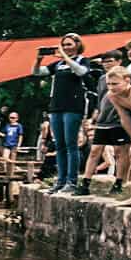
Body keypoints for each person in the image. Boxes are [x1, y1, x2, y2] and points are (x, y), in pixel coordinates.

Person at [38, 32, 96, 193]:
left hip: (73, 107)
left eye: (69, 44)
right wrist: (38, 59)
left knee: (71, 145)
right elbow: (36, 72)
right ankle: (60, 181)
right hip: (56, 107)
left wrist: (65, 56)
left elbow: (81, 72)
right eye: (63, 45)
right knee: (60, 145)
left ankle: (72, 181)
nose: (65, 48)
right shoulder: (57, 65)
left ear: (77, 45)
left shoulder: (82, 60)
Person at [78, 55, 131, 196]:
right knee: (95, 150)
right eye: (104, 61)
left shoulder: (128, 76)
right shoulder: (102, 79)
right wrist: (94, 117)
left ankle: (119, 182)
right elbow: (99, 99)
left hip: (119, 120)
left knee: (120, 152)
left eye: (110, 61)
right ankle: (85, 183)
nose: (106, 64)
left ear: (119, 61)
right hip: (102, 120)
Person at [101, 67, 131, 207]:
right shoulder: (112, 95)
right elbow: (125, 118)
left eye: (115, 84)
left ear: (127, 80)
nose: (111, 87)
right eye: (109, 84)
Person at [0, 110, 25, 179]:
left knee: (12, 161)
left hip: (14, 144)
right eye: (11, 117)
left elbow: (20, 136)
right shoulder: (7, 125)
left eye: (13, 117)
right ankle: (10, 172)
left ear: (17, 118)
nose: (12, 119)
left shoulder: (19, 126)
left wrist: (19, 145)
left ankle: (11, 175)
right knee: (5, 158)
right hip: (7, 144)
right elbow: (4, 134)